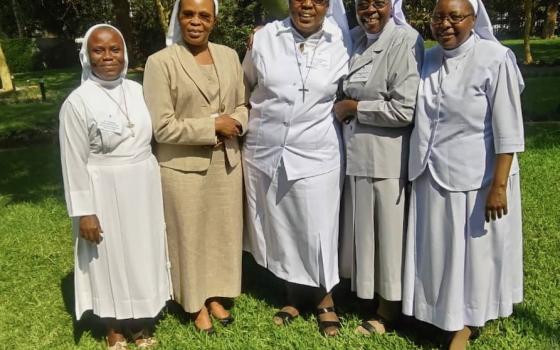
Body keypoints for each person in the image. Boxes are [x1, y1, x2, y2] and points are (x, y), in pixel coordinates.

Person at [402, 0, 525, 349]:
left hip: (477, 178)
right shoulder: (427, 58)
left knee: (470, 258)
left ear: (473, 19)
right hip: (430, 173)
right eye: (439, 17)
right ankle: (438, 314)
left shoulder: (494, 59)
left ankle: (465, 324)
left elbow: (509, 131)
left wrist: (499, 186)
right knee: (438, 251)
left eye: (455, 17)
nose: (445, 25)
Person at [59, 24, 171, 349]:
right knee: (107, 256)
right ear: (86, 56)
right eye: (99, 50)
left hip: (143, 185)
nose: (108, 57)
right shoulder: (77, 102)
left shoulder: (139, 90)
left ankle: (139, 320)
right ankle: (113, 325)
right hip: (102, 188)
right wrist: (84, 213)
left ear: (124, 52)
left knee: (140, 252)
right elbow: (72, 161)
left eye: (114, 49)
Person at [242, 0, 350, 337]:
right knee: (280, 224)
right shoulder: (264, 38)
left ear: (328, 5)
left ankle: (324, 298)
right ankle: (292, 294)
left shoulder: (343, 41)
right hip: (267, 148)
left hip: (317, 151)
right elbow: (245, 84)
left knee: (318, 228)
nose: (307, 4)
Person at [143, 0, 248, 334]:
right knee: (188, 235)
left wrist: (237, 123)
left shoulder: (230, 55)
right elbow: (161, 126)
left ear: (214, 20)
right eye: (188, 14)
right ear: (179, 17)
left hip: (226, 164)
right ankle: (194, 302)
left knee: (221, 233)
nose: (196, 21)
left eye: (204, 15)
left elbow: (243, 104)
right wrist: (212, 126)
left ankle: (216, 293)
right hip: (182, 166)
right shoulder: (160, 62)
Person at [334, 0, 423, 336]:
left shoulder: (404, 39)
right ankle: (368, 296)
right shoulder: (357, 40)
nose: (370, 10)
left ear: (393, 6)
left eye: (379, 3)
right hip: (357, 155)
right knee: (365, 234)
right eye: (363, 4)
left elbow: (405, 108)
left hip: (386, 158)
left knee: (387, 235)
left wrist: (355, 107)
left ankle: (389, 309)